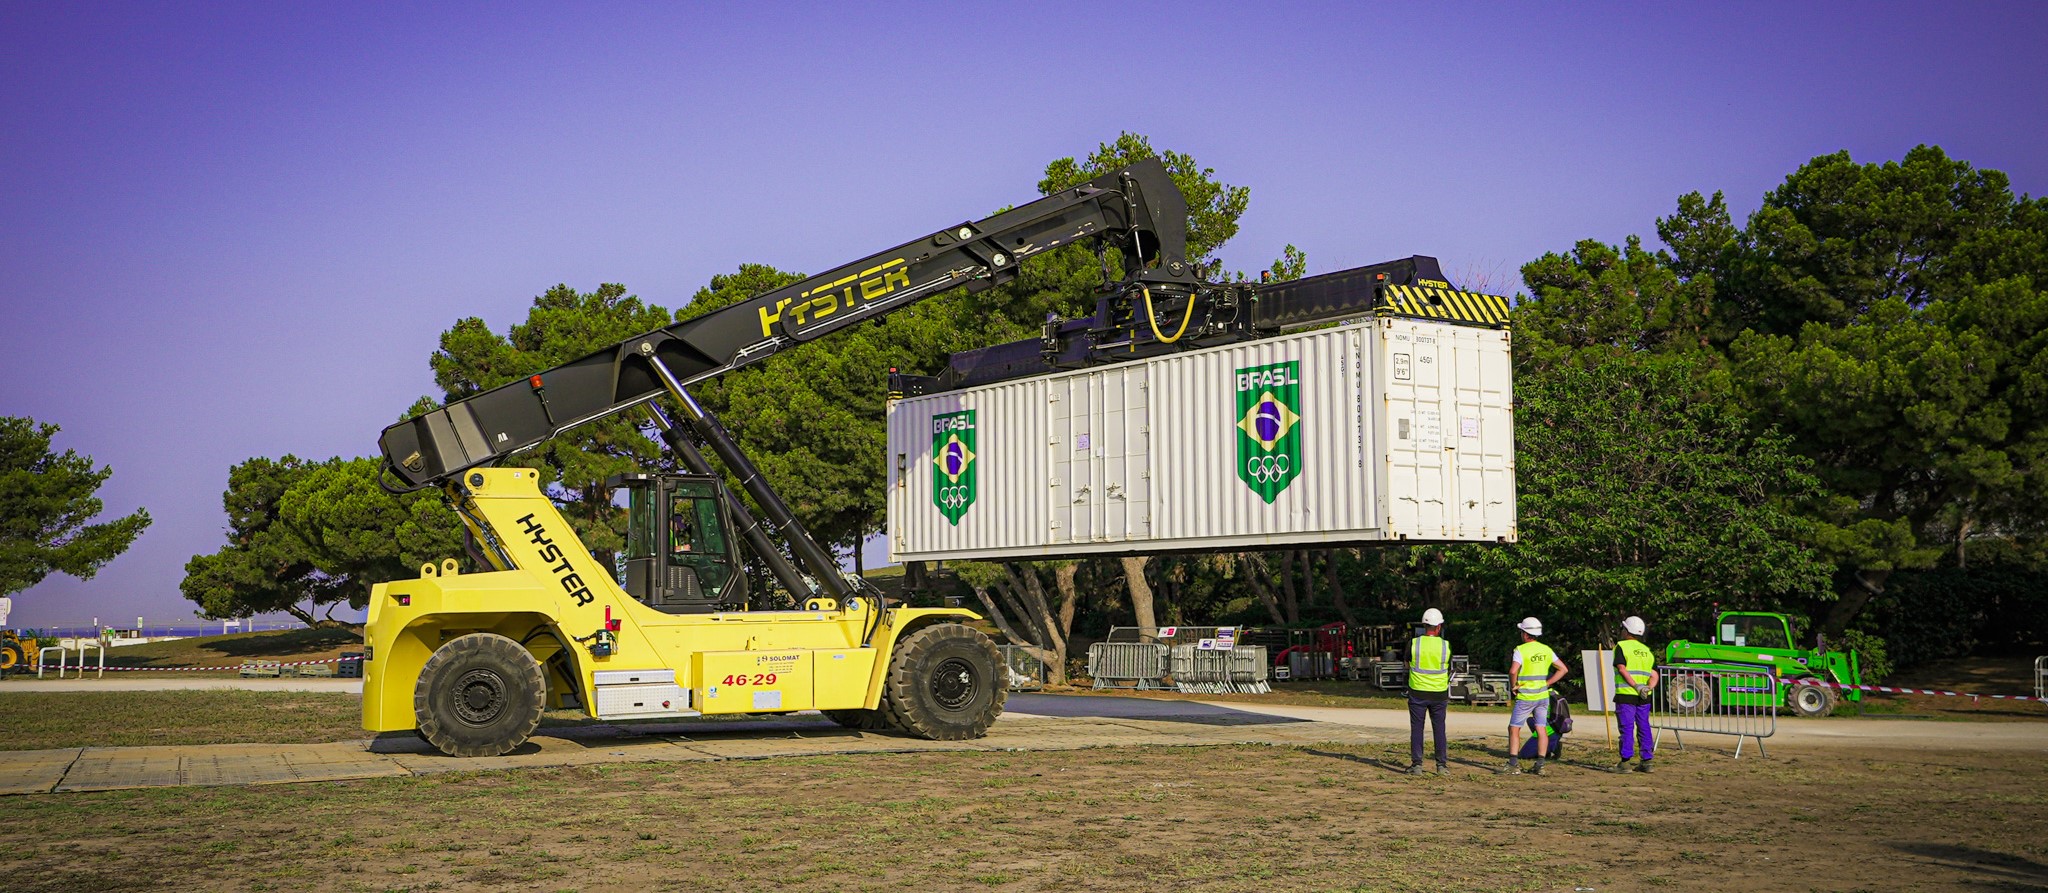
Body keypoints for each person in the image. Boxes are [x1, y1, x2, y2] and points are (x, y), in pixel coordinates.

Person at [1506, 616, 1569, 775]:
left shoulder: (1520, 650)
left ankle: (1513, 763)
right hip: (1542, 696)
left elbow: (1513, 670)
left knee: (1514, 728)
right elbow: (1563, 669)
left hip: (1526, 696)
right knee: (1541, 728)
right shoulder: (1546, 649)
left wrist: (1514, 686)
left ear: (1525, 634)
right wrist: (1548, 683)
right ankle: (1540, 765)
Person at [1405, 608, 1451, 775]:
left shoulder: (1414, 643)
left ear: (1424, 625)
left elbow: (1406, 664)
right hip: (1439, 693)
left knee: (1417, 728)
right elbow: (1448, 667)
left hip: (1417, 692)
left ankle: (1417, 765)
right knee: (1439, 729)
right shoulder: (1445, 646)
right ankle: (1441, 766)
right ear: (1439, 627)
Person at [1612, 614, 1660, 773]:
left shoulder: (1622, 647)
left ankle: (1625, 763)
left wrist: (1636, 686)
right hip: (1644, 697)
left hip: (1626, 694)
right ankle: (1647, 762)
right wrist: (1648, 688)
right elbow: (1654, 675)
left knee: (1626, 728)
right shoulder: (1647, 651)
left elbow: (1621, 668)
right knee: (1644, 726)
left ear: (1627, 631)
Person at [1516, 690, 1572, 761]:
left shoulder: (1537, 695)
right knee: (1530, 720)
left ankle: (1553, 746)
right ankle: (1548, 747)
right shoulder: (1553, 692)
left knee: (1523, 755)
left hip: (1548, 730)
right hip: (1557, 727)